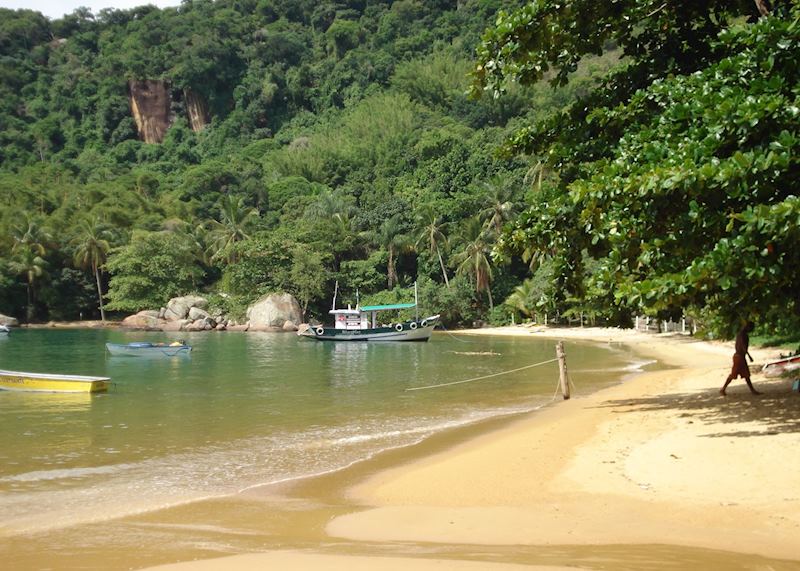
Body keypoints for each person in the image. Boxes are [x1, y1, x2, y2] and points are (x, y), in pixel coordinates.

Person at [720, 320, 761, 396]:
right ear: (748, 327)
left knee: (746, 374)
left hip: (739, 356)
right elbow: (742, 345)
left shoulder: (740, 333)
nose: (751, 330)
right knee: (734, 374)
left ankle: (752, 390)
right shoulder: (743, 335)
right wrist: (749, 355)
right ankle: (723, 389)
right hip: (739, 357)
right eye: (751, 328)